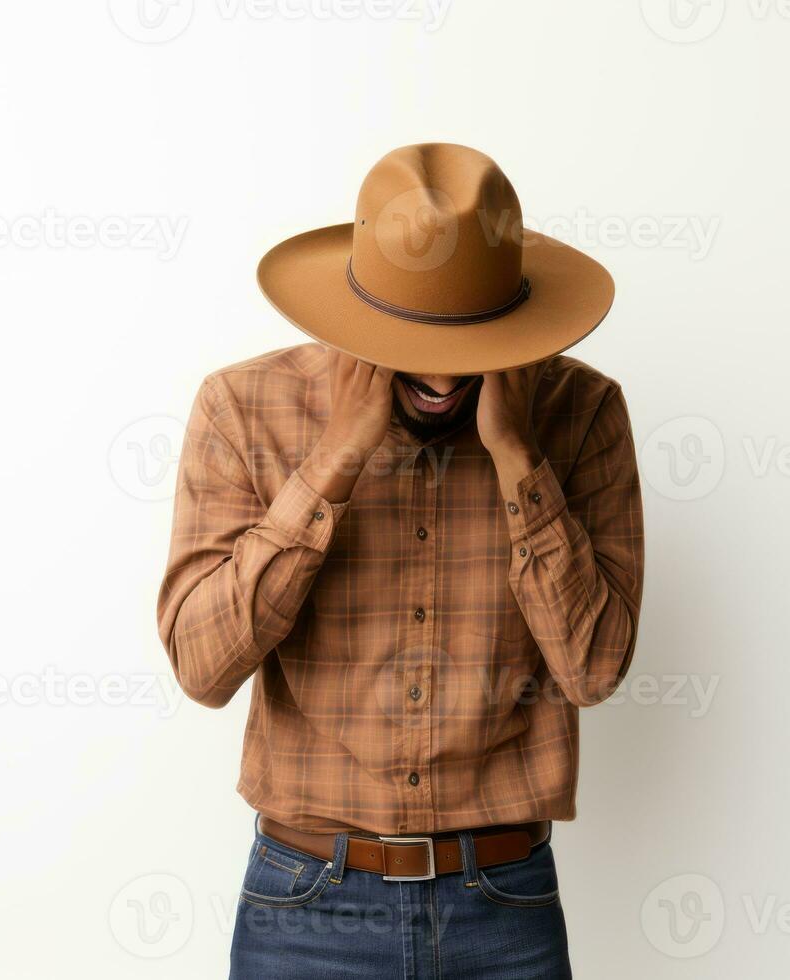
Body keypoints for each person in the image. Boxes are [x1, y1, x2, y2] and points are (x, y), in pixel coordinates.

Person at [157, 143, 644, 978]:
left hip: (504, 907)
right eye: (410, 334)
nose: (438, 372)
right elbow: (202, 668)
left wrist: (519, 457)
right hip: (304, 908)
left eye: (467, 339)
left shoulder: (581, 412)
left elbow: (594, 669)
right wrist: (334, 460)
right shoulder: (242, 408)